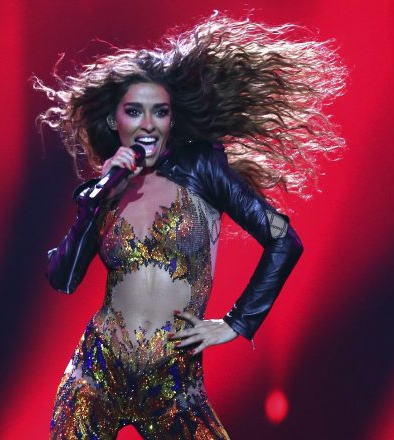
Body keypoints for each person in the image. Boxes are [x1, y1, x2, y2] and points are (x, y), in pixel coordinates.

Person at [34, 12, 345, 439]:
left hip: (175, 387)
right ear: (113, 121)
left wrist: (236, 323)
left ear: (172, 121)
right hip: (95, 374)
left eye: (160, 112)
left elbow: (283, 241)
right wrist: (96, 202)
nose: (148, 124)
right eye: (134, 112)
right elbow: (63, 279)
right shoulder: (103, 192)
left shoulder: (202, 169)